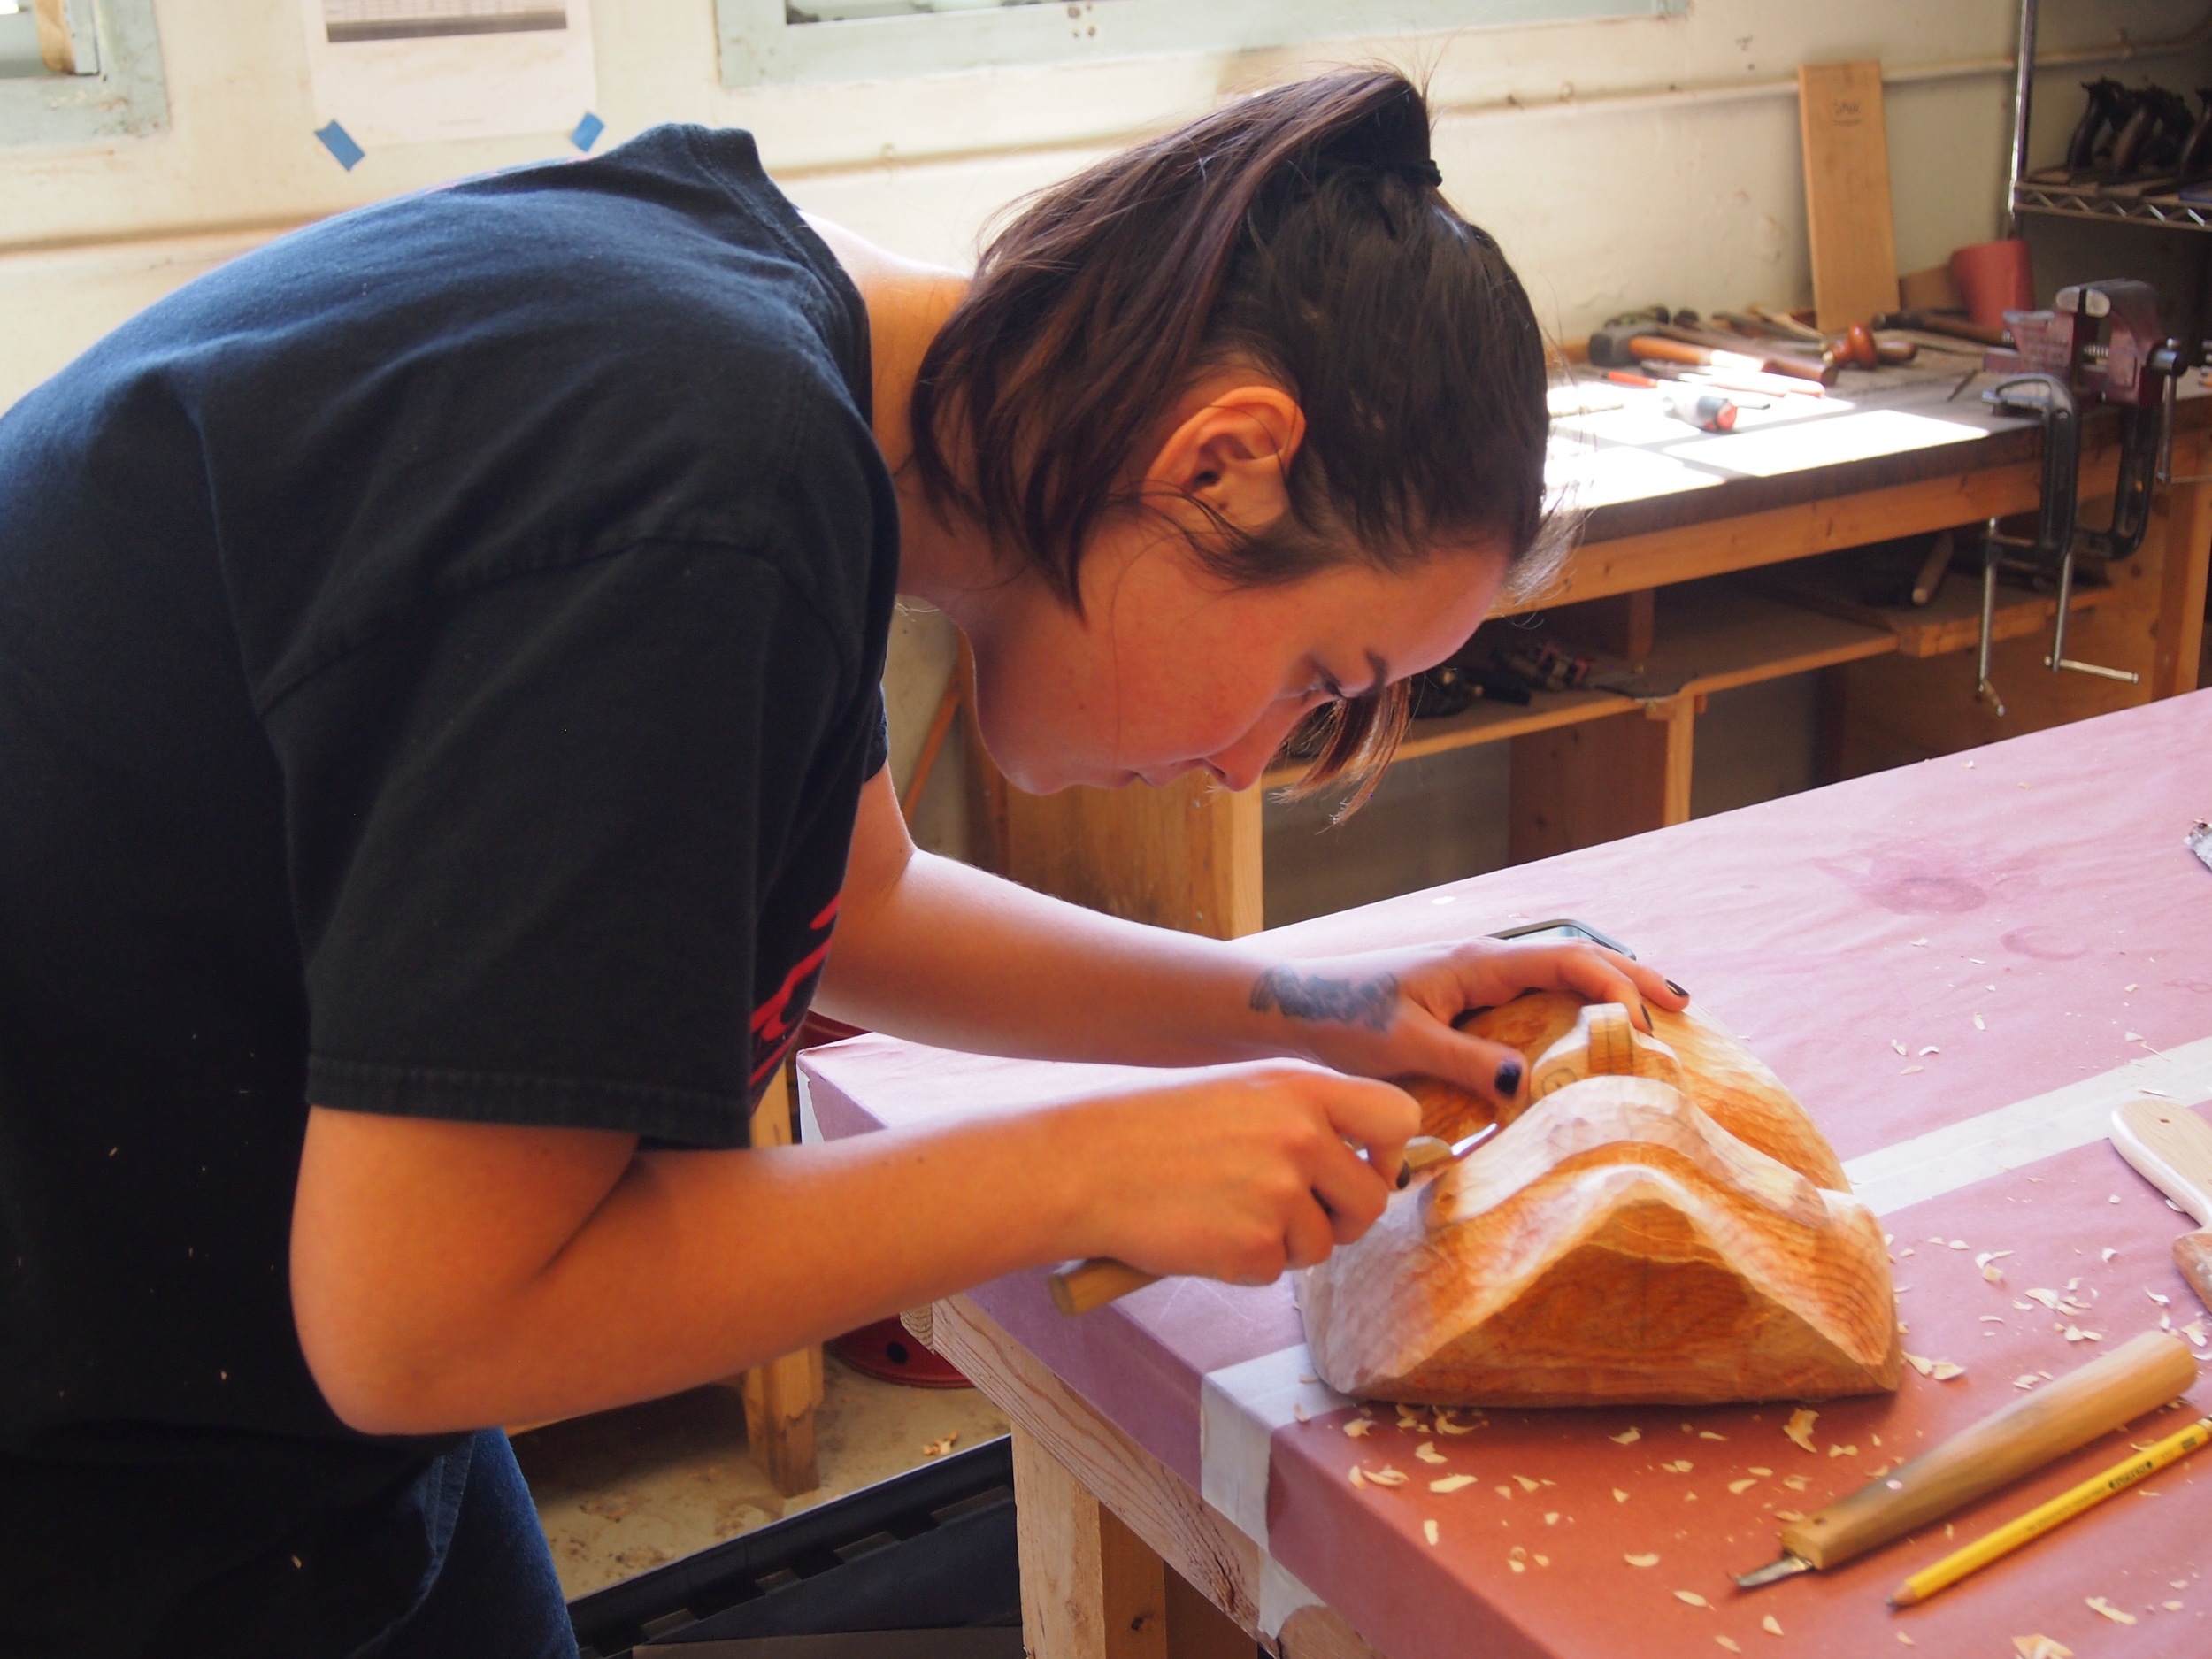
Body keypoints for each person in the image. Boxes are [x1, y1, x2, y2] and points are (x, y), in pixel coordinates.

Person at [0, 68, 1685, 1657]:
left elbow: (857, 902)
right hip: (88, 1440)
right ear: (1217, 460)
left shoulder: (770, 361)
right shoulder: (701, 484)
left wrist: (1327, 1005)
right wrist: (1087, 1169)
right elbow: (422, 1323)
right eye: (1315, 683)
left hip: (240, 1359)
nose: (1250, 764)